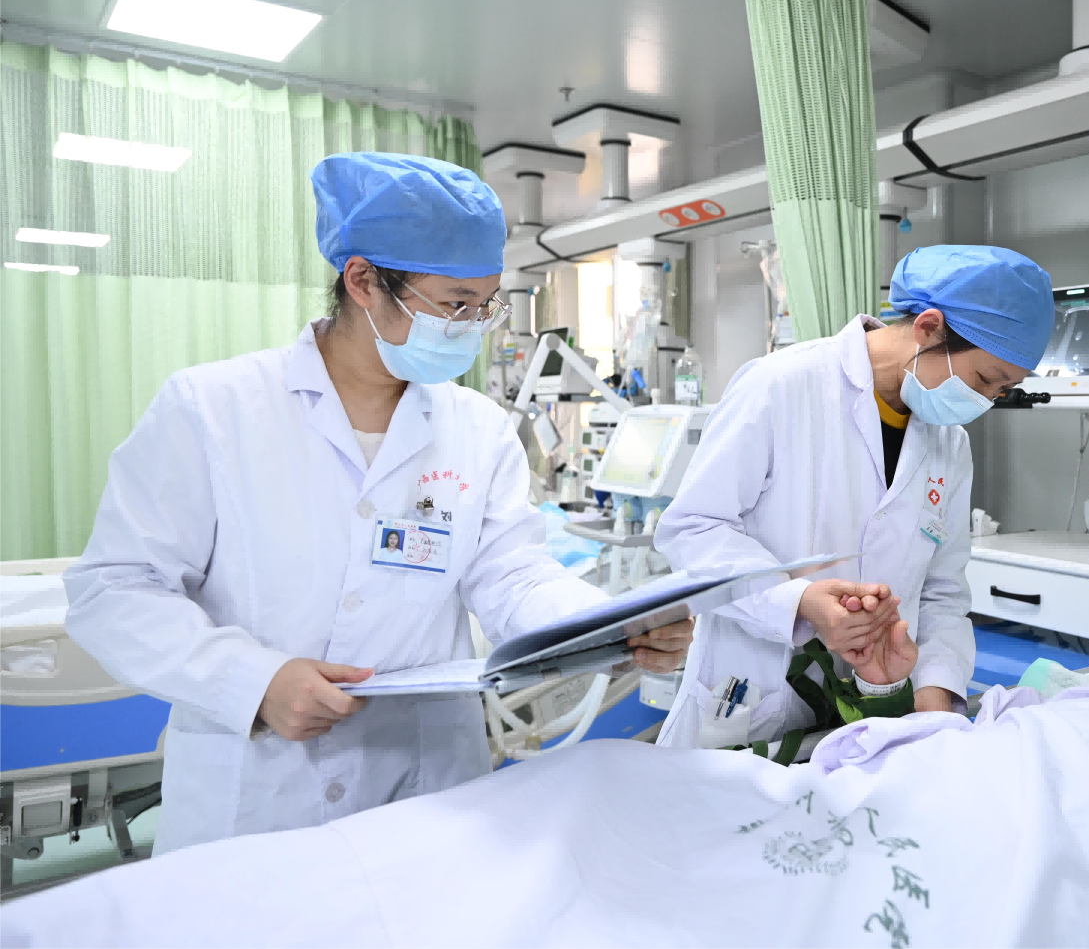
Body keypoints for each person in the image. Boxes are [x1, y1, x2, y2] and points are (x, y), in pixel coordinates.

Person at [63, 151, 692, 853]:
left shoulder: (478, 430)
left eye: (486, 306)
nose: (471, 326)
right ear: (362, 280)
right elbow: (115, 591)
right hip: (257, 796)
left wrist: (608, 628)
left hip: (426, 788)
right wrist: (254, 682)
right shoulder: (212, 410)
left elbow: (510, 576)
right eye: (454, 304)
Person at [653, 245, 1055, 750]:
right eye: (985, 380)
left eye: (1002, 390)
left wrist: (935, 702)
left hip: (874, 709)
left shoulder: (948, 443)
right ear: (929, 328)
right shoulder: (781, 384)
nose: (986, 401)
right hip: (748, 697)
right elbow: (693, 528)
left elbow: (943, 589)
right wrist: (799, 603)